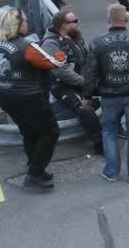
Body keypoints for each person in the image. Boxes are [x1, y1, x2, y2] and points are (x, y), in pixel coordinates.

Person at [0, 9, 62, 189]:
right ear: (17, 25)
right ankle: (34, 174)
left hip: (4, 95)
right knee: (50, 132)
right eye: (24, 21)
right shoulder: (27, 47)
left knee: (28, 131)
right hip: (28, 97)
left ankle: (35, 166)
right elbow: (52, 63)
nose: (27, 23)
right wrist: (61, 54)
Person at [86, 4, 129, 183]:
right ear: (126, 19)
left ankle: (111, 172)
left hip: (109, 95)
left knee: (108, 131)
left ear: (109, 20)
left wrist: (87, 96)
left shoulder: (96, 42)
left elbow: (90, 72)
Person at [41, 10, 102, 152]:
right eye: (74, 21)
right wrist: (86, 83)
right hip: (63, 86)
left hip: (83, 79)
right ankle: (99, 143)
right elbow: (62, 72)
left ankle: (115, 126)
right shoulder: (50, 44)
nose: (78, 23)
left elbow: (86, 58)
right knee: (84, 109)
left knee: (118, 90)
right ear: (63, 25)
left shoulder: (75, 35)